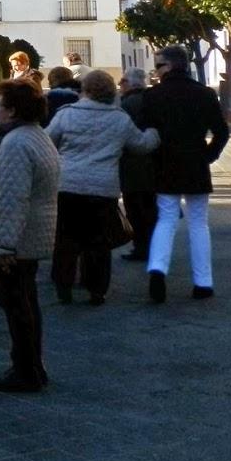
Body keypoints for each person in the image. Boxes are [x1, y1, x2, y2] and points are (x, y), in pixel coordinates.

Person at [0, 78, 60, 393]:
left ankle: (26, 369)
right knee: (25, 302)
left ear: (11, 110)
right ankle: (31, 365)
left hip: (16, 239)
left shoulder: (14, 144)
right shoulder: (36, 136)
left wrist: (4, 247)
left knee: (16, 304)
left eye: (0, 105)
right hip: (31, 233)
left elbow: (12, 198)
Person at [45, 70, 159, 305]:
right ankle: (97, 289)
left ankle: (63, 285)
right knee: (98, 242)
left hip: (68, 185)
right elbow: (141, 145)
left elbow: (48, 141)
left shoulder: (66, 115)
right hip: (102, 188)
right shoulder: (119, 118)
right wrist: (154, 132)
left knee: (66, 239)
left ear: (84, 90)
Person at [142, 46, 229, 303]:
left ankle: (157, 268)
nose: (156, 71)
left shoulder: (153, 96)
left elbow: (145, 132)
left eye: (158, 66)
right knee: (199, 223)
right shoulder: (204, 94)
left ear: (169, 66)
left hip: (165, 163)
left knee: (166, 218)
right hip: (195, 163)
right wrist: (208, 155)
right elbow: (221, 132)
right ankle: (203, 282)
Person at [117, 68, 157, 262]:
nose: (120, 85)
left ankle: (141, 247)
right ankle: (151, 246)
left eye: (122, 81)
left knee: (135, 209)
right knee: (150, 208)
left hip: (132, 165)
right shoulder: (152, 99)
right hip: (153, 163)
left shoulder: (127, 104)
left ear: (130, 83)